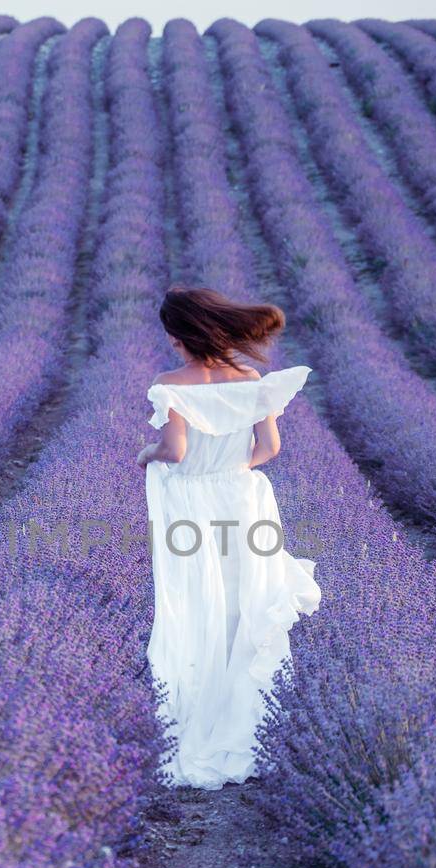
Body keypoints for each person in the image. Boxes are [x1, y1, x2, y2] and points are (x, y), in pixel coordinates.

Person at [138, 287, 322, 790]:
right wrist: (233, 469)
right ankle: (249, 726)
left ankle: (197, 718)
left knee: (195, 604)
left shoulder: (169, 384)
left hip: (191, 507)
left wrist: (146, 454)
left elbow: (175, 451)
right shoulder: (252, 380)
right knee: (246, 606)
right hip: (244, 502)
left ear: (178, 337)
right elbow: (270, 447)